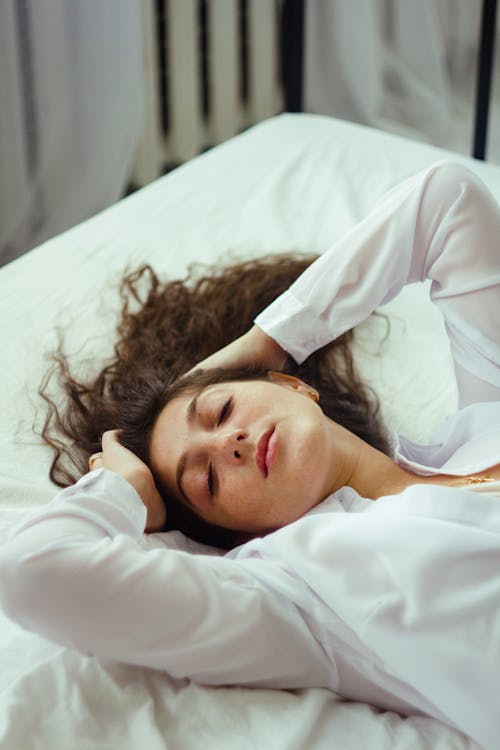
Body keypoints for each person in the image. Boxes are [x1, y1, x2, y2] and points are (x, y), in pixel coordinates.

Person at [0, 161, 499, 750]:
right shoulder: (295, 595)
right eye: (206, 479)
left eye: (219, 411)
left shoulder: (480, 424)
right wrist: (119, 493)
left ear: (294, 385)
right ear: (237, 537)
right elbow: (33, 573)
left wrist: (273, 342)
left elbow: (448, 201)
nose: (226, 443)